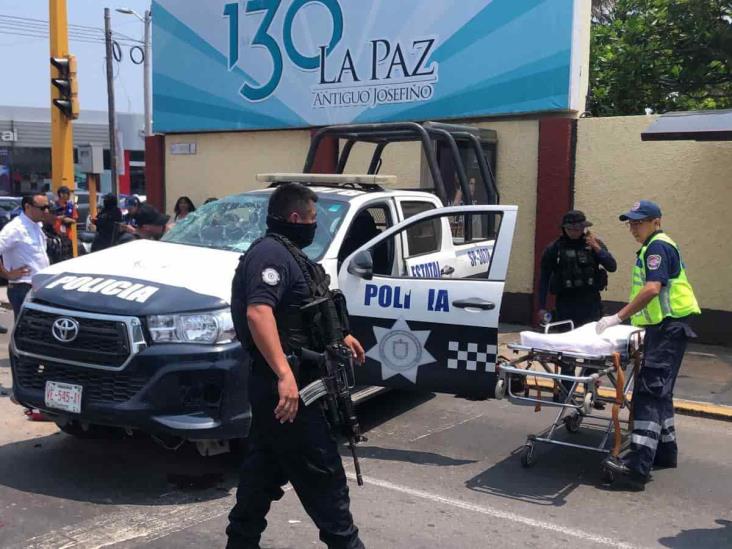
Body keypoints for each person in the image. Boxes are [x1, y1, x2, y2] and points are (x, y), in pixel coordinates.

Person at [227, 183, 366, 549]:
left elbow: (304, 313)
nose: (314, 225)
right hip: (290, 390)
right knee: (324, 478)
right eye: (313, 218)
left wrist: (340, 337)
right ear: (294, 218)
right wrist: (284, 374)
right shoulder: (270, 255)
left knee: (262, 475)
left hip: (292, 383)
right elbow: (259, 313)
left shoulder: (290, 255)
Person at [597, 200, 700, 490]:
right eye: (630, 223)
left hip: (667, 330)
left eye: (638, 222)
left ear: (656, 221)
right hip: (667, 329)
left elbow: (653, 288)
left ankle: (636, 469)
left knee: (647, 396)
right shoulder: (657, 246)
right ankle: (665, 453)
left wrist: (617, 317)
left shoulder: (658, 247)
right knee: (661, 393)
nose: (633, 228)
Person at [538, 210, 617, 328]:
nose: (574, 232)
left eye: (578, 229)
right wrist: (542, 307)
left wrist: (596, 247)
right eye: (570, 229)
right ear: (564, 228)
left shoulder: (594, 244)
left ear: (584, 228)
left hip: (591, 304)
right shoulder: (554, 249)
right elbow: (544, 279)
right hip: (565, 304)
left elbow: (612, 266)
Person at [0, 193, 51, 320]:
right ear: (28, 207)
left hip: (38, 286)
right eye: (42, 208)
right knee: (27, 331)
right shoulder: (15, 228)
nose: (46, 211)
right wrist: (6, 274)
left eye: (48, 207)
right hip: (23, 288)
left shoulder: (37, 226)